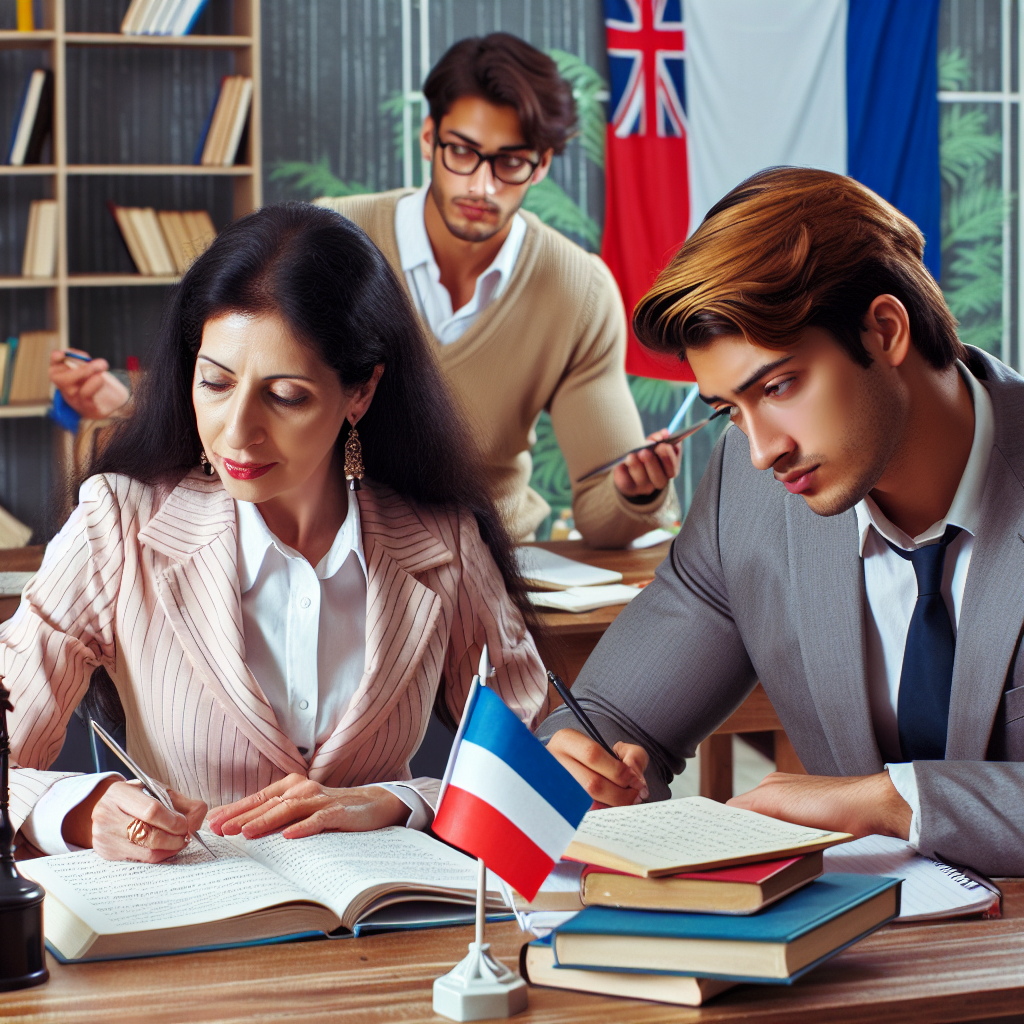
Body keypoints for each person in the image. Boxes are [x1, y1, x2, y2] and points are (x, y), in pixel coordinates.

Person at [4, 203, 547, 863]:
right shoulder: (119, 523)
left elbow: (539, 771)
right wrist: (82, 810)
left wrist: (399, 801)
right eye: (215, 382)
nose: (237, 431)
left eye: (286, 396)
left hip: (388, 913)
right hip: (196, 913)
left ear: (360, 392)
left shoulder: (443, 542)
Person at [540, 167, 1024, 878]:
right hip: (851, 941)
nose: (763, 450)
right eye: (731, 411)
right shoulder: (751, 494)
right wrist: (585, 763)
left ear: (885, 330)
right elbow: (614, 715)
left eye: (779, 386)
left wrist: (895, 800)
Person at [317, 33, 680, 548]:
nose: (481, 186)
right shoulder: (330, 240)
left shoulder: (578, 290)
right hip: (334, 554)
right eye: (462, 152)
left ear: (543, 163)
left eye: (510, 162)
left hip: (491, 559)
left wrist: (636, 494)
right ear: (429, 138)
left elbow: (604, 517)